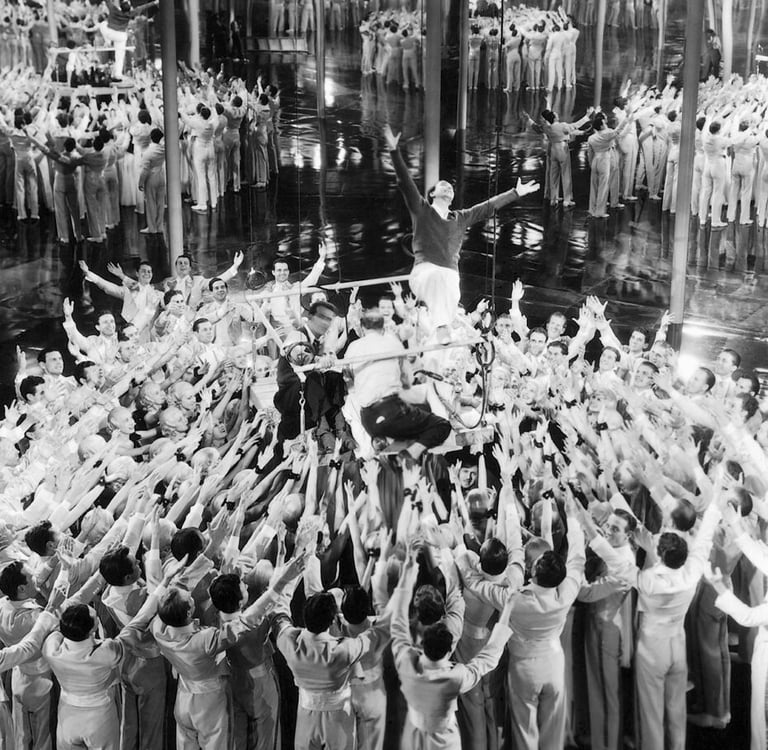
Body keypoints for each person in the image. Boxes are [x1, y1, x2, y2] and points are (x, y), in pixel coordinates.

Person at [384, 124, 539, 343]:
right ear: (432, 194)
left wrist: (515, 193)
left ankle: (442, 330)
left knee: (450, 286)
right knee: (439, 280)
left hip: (448, 276)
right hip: (425, 272)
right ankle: (441, 328)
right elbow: (406, 183)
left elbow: (487, 207)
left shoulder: (460, 217)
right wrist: (394, 151)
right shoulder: (422, 211)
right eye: (443, 186)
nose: (448, 188)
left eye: (451, 188)